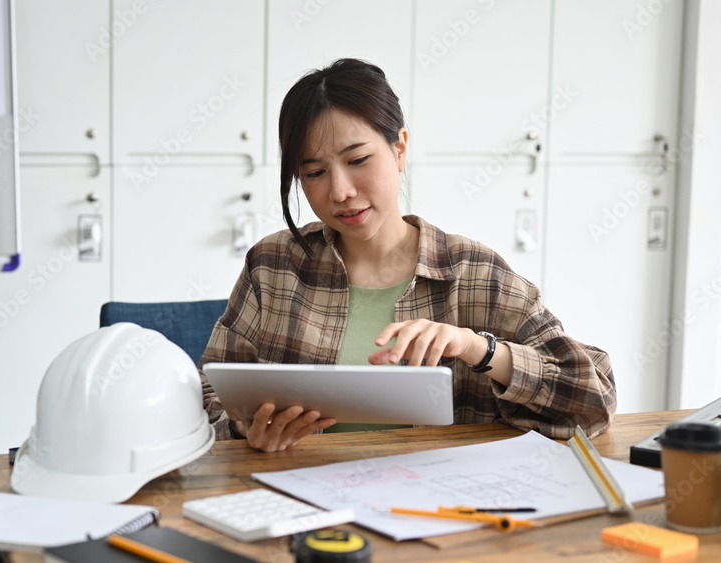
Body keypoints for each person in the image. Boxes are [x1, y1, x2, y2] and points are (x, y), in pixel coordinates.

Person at [198, 58, 615, 453]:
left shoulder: (472, 274)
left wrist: (478, 349)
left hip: (435, 507)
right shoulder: (273, 267)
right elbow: (204, 398)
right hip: (299, 497)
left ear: (399, 149)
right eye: (314, 173)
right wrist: (245, 430)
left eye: (358, 160)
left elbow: (593, 402)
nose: (340, 191)